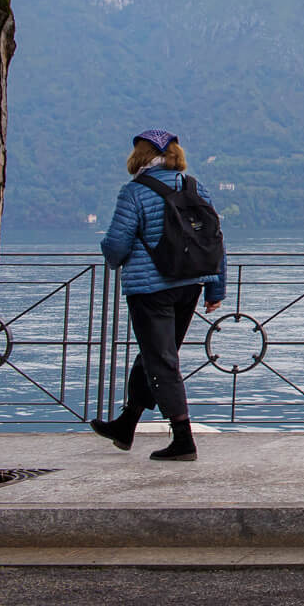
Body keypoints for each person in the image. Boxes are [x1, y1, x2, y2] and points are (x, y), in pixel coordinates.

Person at [90, 129, 226, 461]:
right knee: (156, 354)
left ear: (139, 155)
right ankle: (126, 424)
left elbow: (116, 244)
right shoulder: (195, 186)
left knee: (161, 359)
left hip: (151, 289)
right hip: (190, 284)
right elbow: (216, 239)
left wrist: (109, 256)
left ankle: (183, 440)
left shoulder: (135, 192)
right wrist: (215, 286)